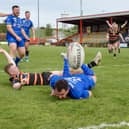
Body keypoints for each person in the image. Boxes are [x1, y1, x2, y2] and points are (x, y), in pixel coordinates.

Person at [0, 47, 102, 91]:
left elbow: (11, 62)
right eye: (14, 69)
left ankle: (90, 65)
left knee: (70, 72)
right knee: (70, 74)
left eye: (15, 66)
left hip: (45, 74)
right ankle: (91, 65)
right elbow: (15, 86)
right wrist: (20, 84)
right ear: (11, 74)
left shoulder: (14, 70)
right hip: (47, 79)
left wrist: (4, 52)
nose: (16, 67)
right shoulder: (15, 79)